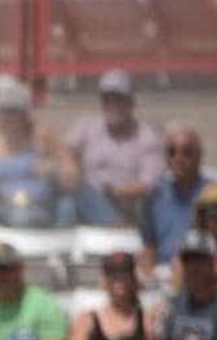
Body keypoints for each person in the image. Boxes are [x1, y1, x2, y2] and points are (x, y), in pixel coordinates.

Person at [61, 68, 164, 227]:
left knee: (78, 197)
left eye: (119, 99)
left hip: (123, 206)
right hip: (87, 199)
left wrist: (117, 192)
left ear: (130, 102)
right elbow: (66, 149)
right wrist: (70, 166)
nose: (113, 105)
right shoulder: (87, 126)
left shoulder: (146, 138)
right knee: (66, 201)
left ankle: (115, 224)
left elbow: (148, 183)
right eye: (107, 99)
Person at [0, 81, 70, 228]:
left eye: (14, 111)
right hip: (0, 207)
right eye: (4, 111)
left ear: (25, 113)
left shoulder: (42, 136)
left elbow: (71, 174)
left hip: (37, 208)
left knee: (22, 219)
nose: (8, 117)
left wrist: (53, 170)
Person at [140, 125, 207, 273]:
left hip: (202, 273)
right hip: (163, 274)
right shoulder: (154, 196)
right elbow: (149, 246)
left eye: (187, 152)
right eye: (172, 152)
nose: (178, 158)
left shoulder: (210, 195)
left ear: (199, 156)